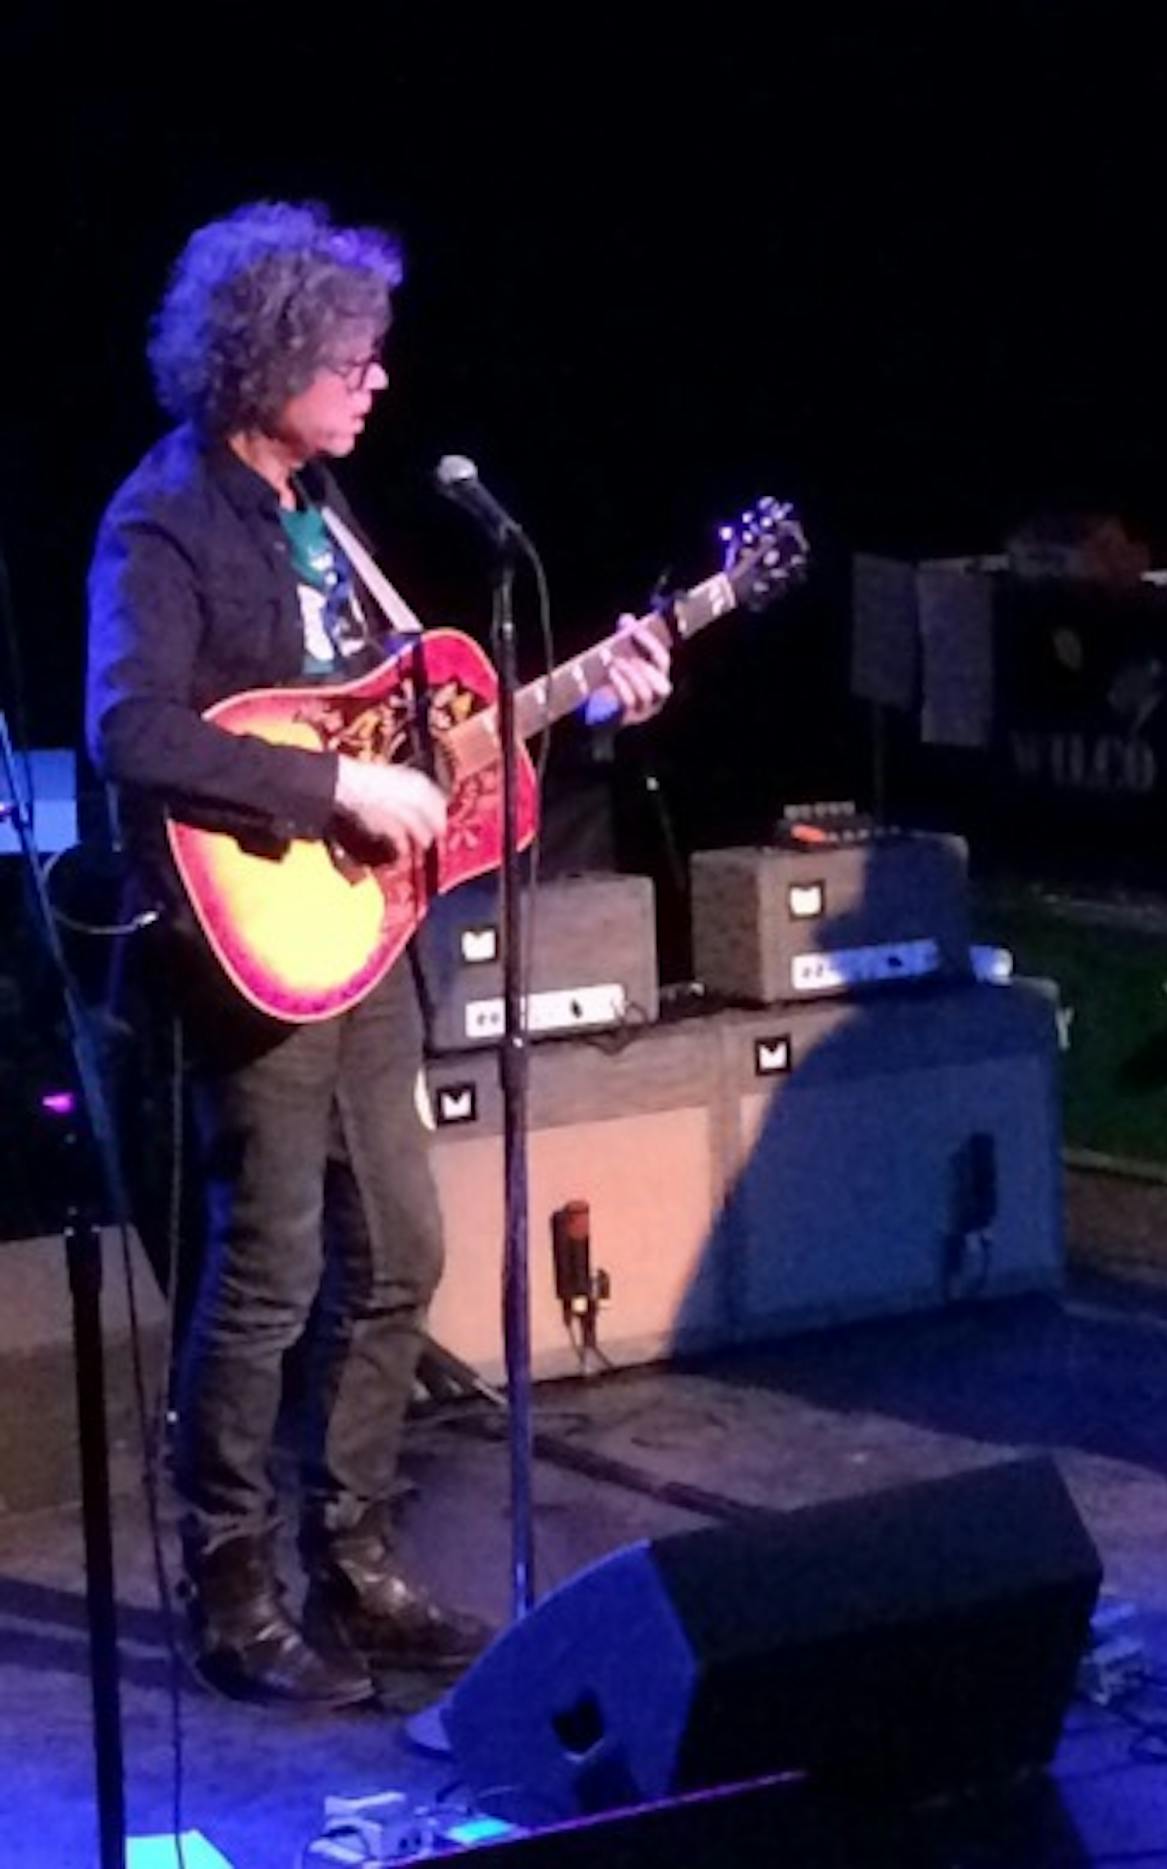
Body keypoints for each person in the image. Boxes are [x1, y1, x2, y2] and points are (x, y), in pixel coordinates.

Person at [85, 201, 673, 1705]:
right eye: (350, 356)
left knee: (401, 1248)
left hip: (368, 940)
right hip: (255, 951)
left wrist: (590, 695)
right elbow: (132, 728)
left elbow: (416, 736)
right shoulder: (164, 518)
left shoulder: (328, 520)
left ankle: (354, 1557)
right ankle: (234, 1582)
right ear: (263, 355)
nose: (375, 381)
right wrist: (333, 789)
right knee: (271, 1265)